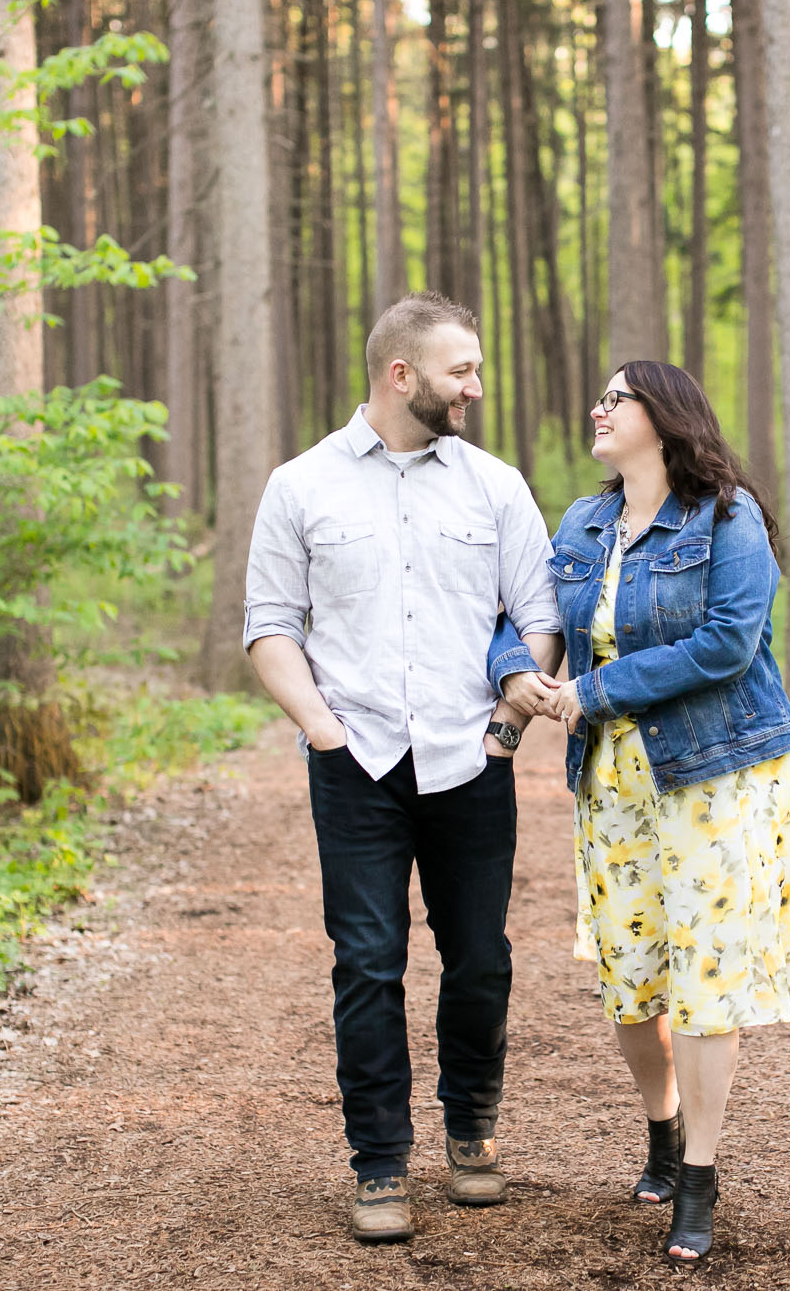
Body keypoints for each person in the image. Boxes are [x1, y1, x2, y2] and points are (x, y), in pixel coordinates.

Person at [243, 292, 562, 1245]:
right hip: (357, 764)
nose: (475, 385)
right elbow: (269, 625)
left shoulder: (496, 486)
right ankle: (378, 1163)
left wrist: (506, 728)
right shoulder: (300, 486)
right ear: (401, 374)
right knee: (369, 966)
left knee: (480, 961)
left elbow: (538, 615)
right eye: (460, 369)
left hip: (473, 759)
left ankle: (471, 1133)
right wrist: (322, 729)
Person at [491, 361, 790, 1267]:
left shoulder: (729, 518)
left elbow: (727, 643)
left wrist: (595, 690)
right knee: (632, 978)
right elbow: (527, 612)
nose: (598, 407)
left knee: (706, 978)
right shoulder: (584, 522)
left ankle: (700, 1177)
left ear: (663, 419)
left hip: (715, 774)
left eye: (616, 398)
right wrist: (517, 674)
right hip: (613, 779)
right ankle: (662, 1131)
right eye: (598, 394)